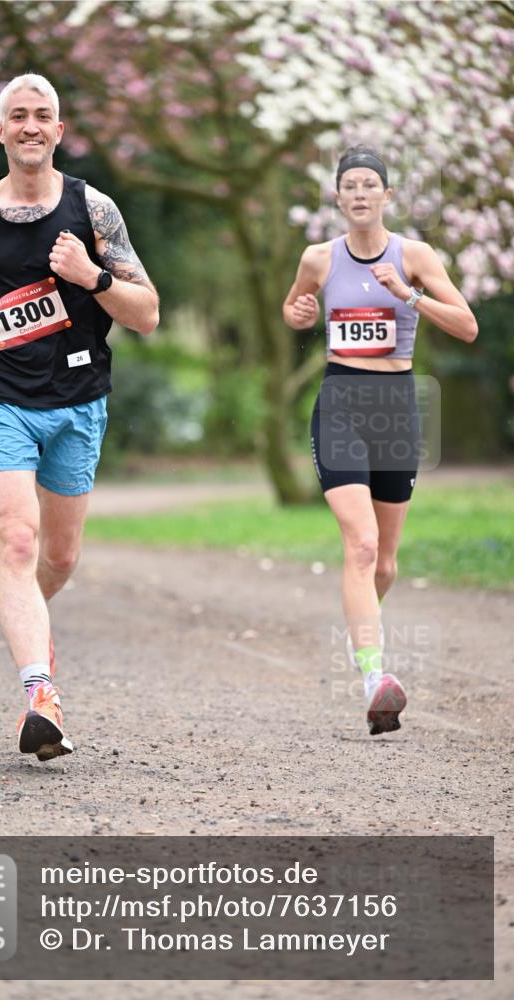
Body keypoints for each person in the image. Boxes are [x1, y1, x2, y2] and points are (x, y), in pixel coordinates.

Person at [0, 73, 159, 761]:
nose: (30, 126)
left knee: (58, 558)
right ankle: (40, 694)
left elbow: (147, 314)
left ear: (59, 131)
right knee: (18, 541)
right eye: (18, 115)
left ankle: (28, 622)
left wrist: (92, 276)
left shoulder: (94, 210)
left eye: (42, 115)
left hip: (77, 401)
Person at [282, 145, 478, 736]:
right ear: (338, 198)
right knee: (362, 547)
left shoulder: (414, 255)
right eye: (350, 185)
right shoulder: (318, 257)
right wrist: (299, 314)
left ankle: (361, 631)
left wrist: (408, 295)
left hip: (396, 409)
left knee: (385, 563)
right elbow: (295, 308)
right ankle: (375, 677)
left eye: (370, 184)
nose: (360, 193)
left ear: (387, 196)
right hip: (340, 403)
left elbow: (467, 326)